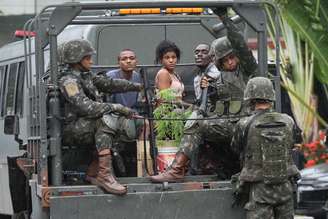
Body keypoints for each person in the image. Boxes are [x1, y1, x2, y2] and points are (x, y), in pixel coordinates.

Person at [150, 9, 257, 183]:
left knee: (197, 124)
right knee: (196, 120)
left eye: (233, 57)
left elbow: (240, 44)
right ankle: (184, 169)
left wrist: (224, 18)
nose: (230, 62)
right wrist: (204, 97)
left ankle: (177, 169)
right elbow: (209, 108)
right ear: (218, 61)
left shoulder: (245, 70)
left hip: (244, 124)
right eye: (225, 59)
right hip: (228, 124)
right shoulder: (216, 79)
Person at [59, 39, 143, 195]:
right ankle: (104, 175)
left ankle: (94, 172)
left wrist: (138, 86)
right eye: (87, 58)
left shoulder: (85, 75)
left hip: (87, 125)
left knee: (125, 123)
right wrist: (116, 107)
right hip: (73, 129)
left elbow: (109, 84)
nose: (91, 61)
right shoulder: (68, 81)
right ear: (76, 59)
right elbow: (87, 107)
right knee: (106, 120)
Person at [230, 77, 300, 219]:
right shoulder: (288, 120)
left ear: (250, 98)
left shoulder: (244, 124)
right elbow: (295, 143)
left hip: (259, 189)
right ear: (271, 97)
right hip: (285, 186)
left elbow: (236, 148)